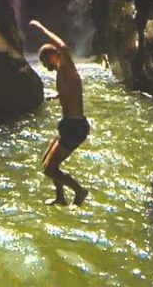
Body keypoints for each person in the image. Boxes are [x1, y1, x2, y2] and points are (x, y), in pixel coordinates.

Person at [30, 20, 89, 207]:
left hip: (75, 126)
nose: (44, 65)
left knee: (50, 169)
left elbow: (63, 45)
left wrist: (41, 28)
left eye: (44, 61)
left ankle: (80, 191)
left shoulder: (66, 66)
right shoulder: (62, 73)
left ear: (53, 55)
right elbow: (70, 92)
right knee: (46, 163)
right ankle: (60, 197)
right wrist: (56, 96)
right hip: (68, 124)